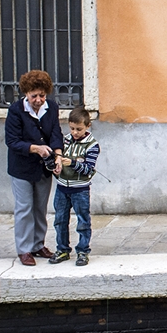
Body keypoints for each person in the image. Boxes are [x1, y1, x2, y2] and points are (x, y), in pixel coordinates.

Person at [5, 70, 63, 266]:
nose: (38, 100)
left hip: (43, 167)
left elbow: (56, 133)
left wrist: (58, 157)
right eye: (34, 96)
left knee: (40, 208)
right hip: (21, 167)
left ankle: (38, 245)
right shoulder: (15, 110)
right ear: (26, 94)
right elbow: (12, 141)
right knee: (24, 208)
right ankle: (24, 249)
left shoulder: (52, 108)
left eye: (42, 95)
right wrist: (35, 149)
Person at [49, 107, 100, 266]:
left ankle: (83, 251)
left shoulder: (92, 146)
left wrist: (72, 163)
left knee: (83, 221)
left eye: (79, 129)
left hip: (81, 189)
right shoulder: (65, 140)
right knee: (60, 219)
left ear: (87, 126)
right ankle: (62, 249)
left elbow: (88, 169)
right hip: (62, 187)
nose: (75, 132)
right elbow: (55, 158)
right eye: (72, 128)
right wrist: (54, 166)